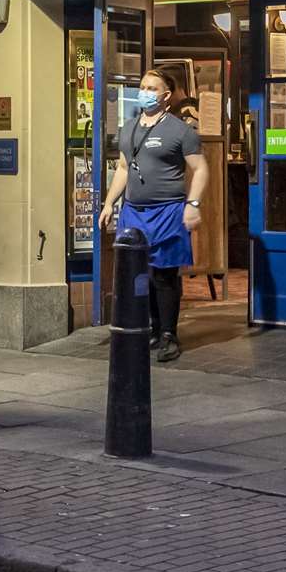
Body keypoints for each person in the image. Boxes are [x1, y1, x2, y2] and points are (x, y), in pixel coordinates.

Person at [97, 69, 207, 363]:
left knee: (164, 275)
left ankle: (169, 334)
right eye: (142, 86)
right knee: (140, 275)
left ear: (166, 96)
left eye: (152, 88)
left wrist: (193, 204)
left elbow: (201, 169)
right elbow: (123, 168)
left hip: (168, 211)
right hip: (134, 212)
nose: (144, 91)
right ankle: (152, 330)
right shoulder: (129, 127)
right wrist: (109, 204)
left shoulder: (181, 131)